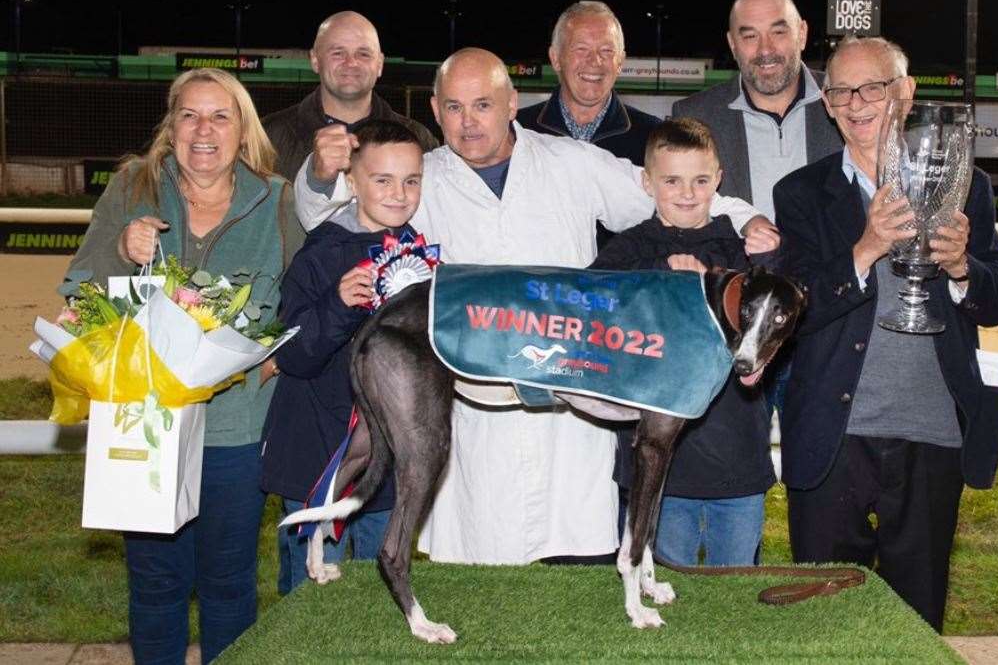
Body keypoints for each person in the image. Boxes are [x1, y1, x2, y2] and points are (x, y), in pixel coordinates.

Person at [292, 47, 776, 566]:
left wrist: (744, 219)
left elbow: (673, 195)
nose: (469, 122)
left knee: (570, 594)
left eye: (482, 105)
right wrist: (318, 178)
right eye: (453, 108)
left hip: (569, 422)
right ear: (434, 111)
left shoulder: (571, 161)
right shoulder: (418, 177)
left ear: (511, 102)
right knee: (479, 581)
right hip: (474, 416)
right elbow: (334, 215)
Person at [772, 36, 998, 632]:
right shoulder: (800, 194)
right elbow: (793, 308)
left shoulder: (966, 185)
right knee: (824, 623)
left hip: (933, 432)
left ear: (904, 94)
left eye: (872, 88)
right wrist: (865, 249)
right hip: (834, 434)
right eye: (840, 91)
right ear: (826, 103)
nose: (856, 104)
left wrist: (963, 269)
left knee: (915, 619)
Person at [67, 67, 303, 663]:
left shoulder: (277, 199)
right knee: (156, 587)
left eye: (220, 116)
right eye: (190, 115)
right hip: (146, 427)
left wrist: (279, 358)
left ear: (241, 129)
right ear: (171, 128)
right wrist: (123, 252)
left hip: (236, 431)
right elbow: (78, 293)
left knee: (228, 586)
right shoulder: (130, 188)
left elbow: (307, 297)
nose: (205, 129)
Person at [591, 117, 778, 566]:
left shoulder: (740, 253)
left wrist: (710, 289)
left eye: (699, 180)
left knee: (732, 594)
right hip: (659, 468)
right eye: (672, 180)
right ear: (647, 182)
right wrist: (662, 287)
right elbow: (595, 322)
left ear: (718, 180)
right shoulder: (625, 253)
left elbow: (764, 338)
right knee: (663, 589)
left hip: (736, 456)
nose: (688, 193)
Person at [260, 120, 424, 594]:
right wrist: (337, 305)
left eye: (411, 180)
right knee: (311, 598)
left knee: (379, 592)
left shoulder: (421, 255)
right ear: (351, 183)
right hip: (317, 456)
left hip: (387, 459)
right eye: (382, 180)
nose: (399, 193)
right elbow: (292, 356)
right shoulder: (319, 254)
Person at [673, 0, 843, 416]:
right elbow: (677, 214)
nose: (765, 49)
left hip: (826, 331)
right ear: (732, 44)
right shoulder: (694, 117)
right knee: (736, 482)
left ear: (803, 33)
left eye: (779, 31)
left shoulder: (846, 104)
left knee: (820, 479)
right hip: (734, 331)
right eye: (749, 35)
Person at [262, 11, 437, 185]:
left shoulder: (420, 140)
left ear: (380, 64)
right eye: (338, 53)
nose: (351, 63)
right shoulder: (266, 138)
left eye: (364, 54)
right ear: (315, 60)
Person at [517, 0, 660, 167]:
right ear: (555, 58)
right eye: (581, 49)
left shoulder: (654, 138)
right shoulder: (518, 132)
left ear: (620, 62)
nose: (595, 61)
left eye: (606, 50)